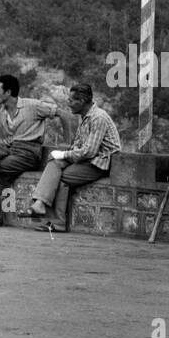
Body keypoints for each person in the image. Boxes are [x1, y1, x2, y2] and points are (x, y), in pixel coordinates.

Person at [23, 82, 120, 232]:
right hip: (85, 159)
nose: (68, 103)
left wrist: (64, 154)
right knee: (54, 163)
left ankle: (53, 218)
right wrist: (62, 156)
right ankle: (42, 206)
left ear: (81, 102)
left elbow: (89, 151)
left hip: (99, 162)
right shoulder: (85, 116)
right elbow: (79, 145)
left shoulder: (98, 118)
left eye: (71, 100)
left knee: (61, 178)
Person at [0, 74, 61, 227]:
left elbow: (63, 115)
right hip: (13, 149)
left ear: (8, 93)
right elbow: (10, 135)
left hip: (29, 153)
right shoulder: (3, 112)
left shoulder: (32, 106)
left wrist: (68, 142)